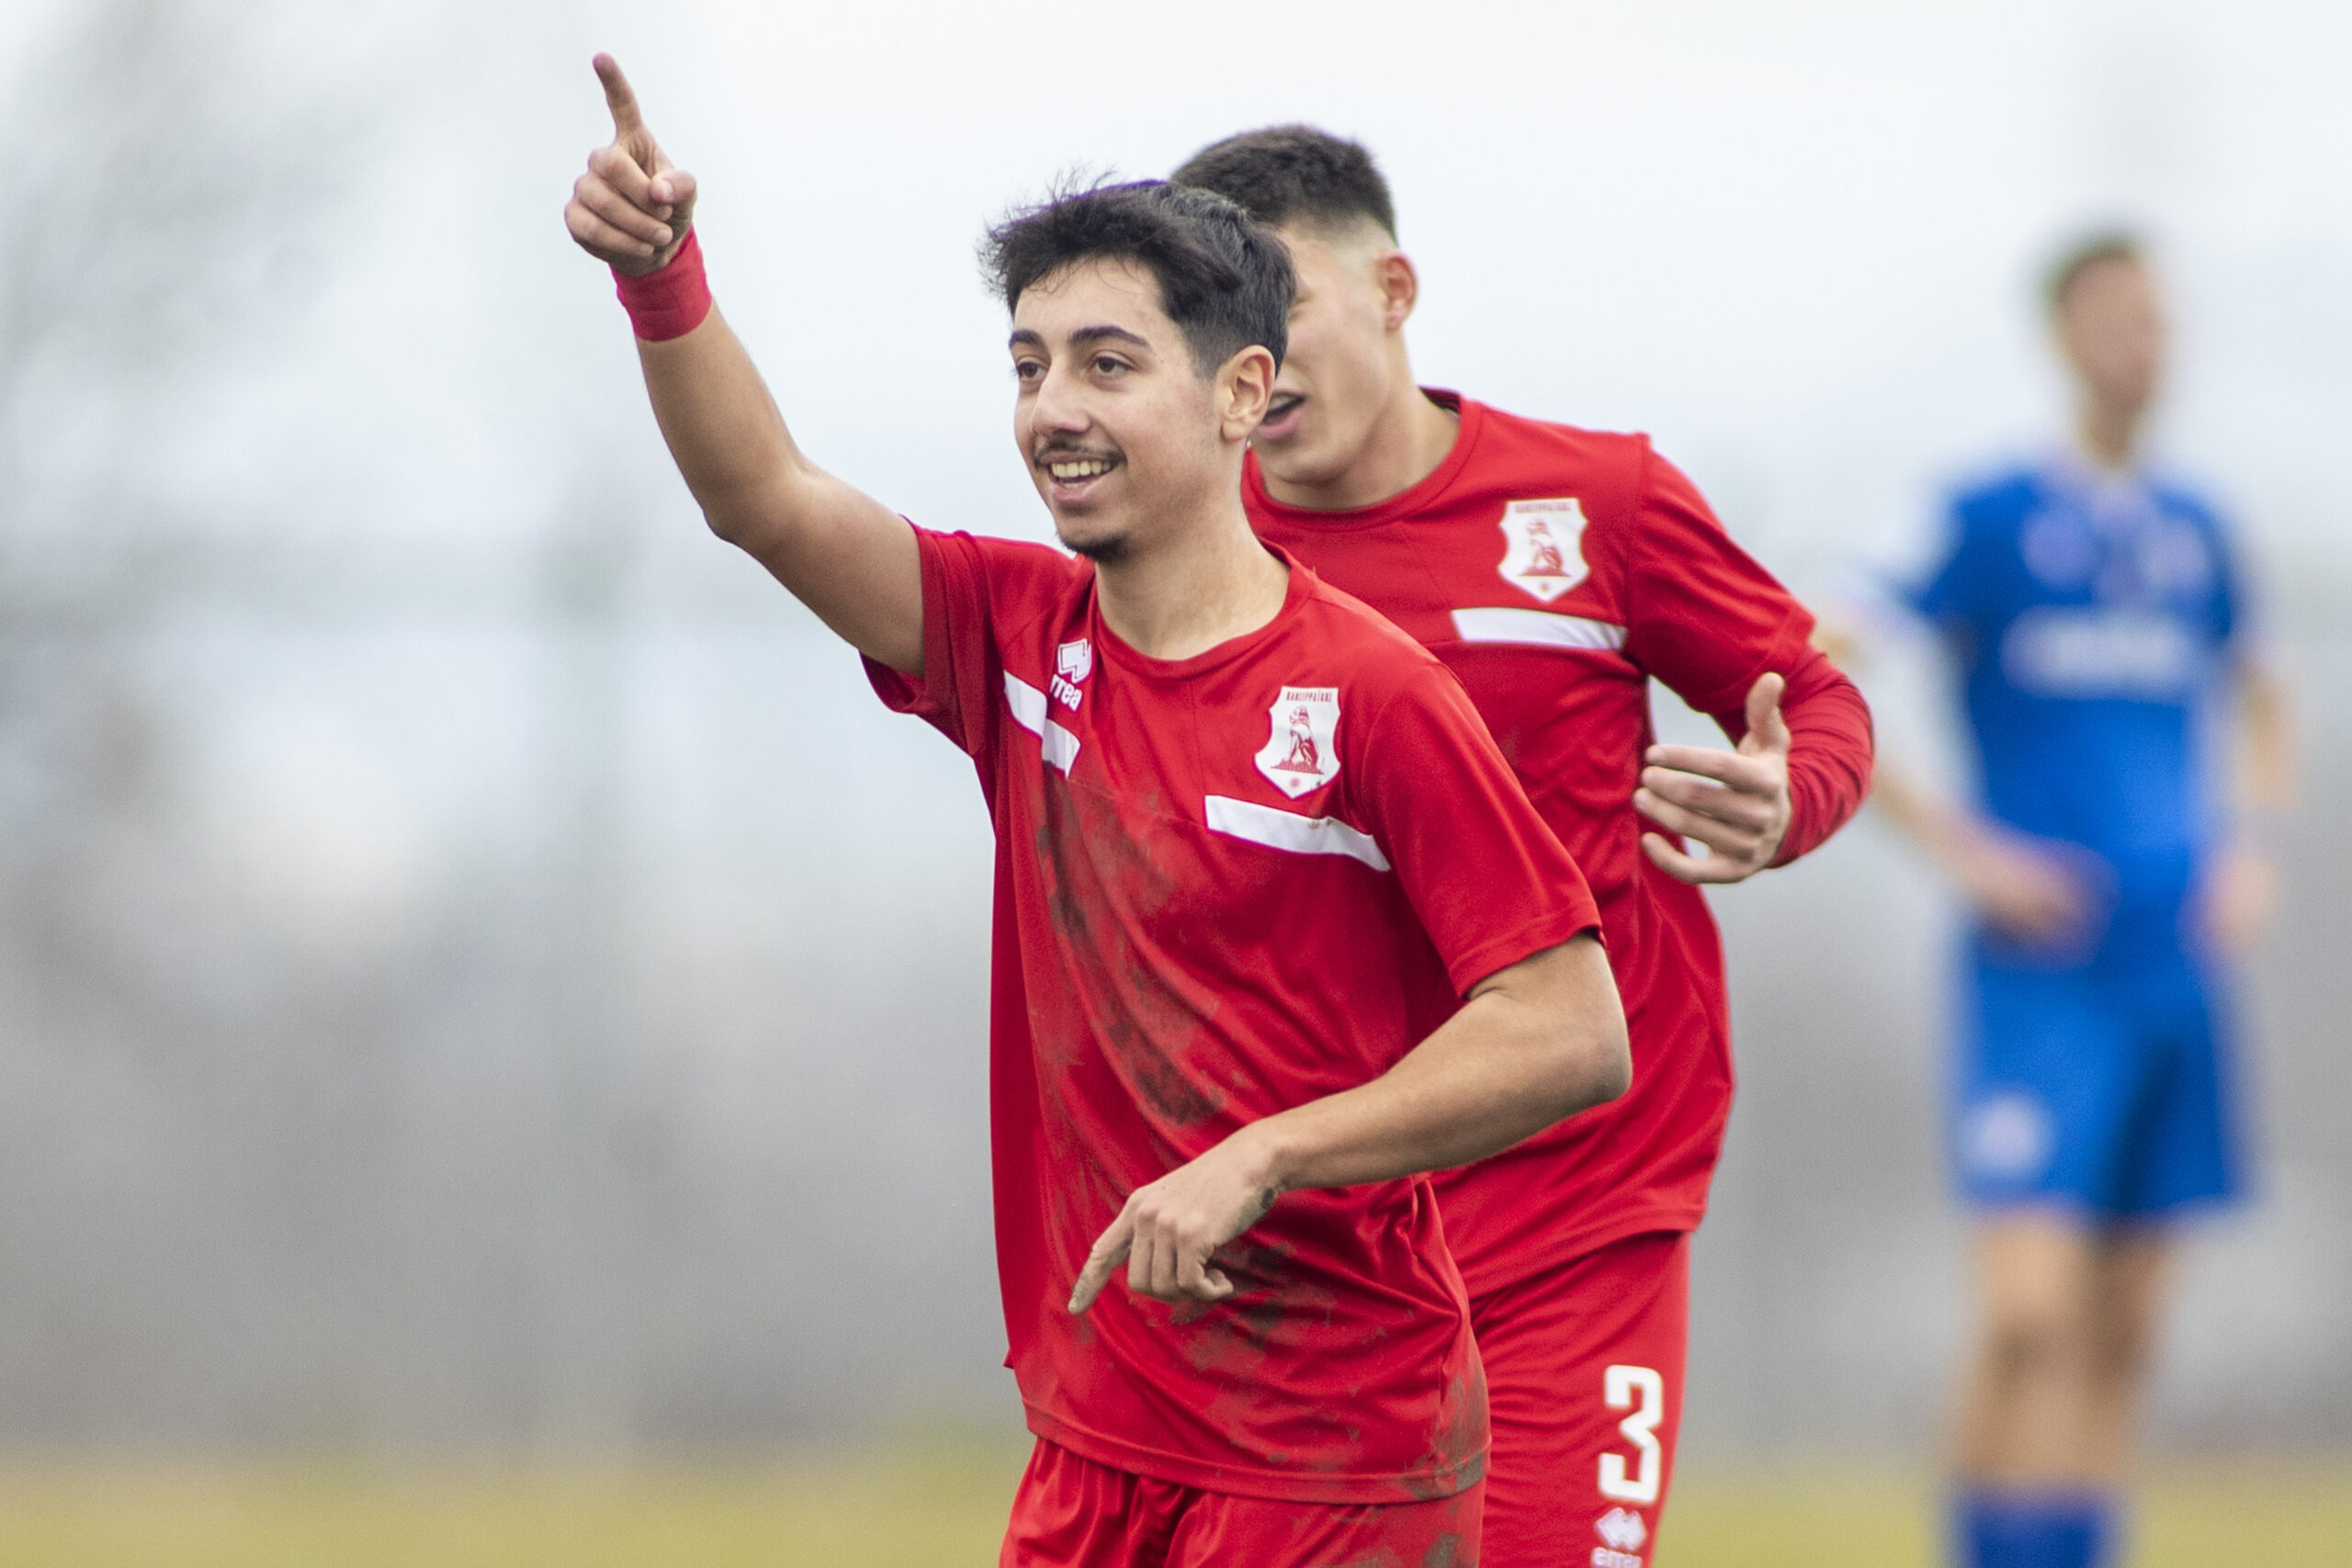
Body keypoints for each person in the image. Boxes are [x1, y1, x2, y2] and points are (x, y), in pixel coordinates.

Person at [564, 58, 1636, 1568]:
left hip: (1331, 1454)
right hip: (1097, 1440)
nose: (1054, 410)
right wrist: (664, 276)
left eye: (1107, 364)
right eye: (1028, 366)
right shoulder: (1014, 635)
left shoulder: (1372, 694)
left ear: (1242, 393)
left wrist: (1267, 1153)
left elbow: (1570, 1028)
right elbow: (766, 501)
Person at [1171, 128, 1877, 1568]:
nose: (1257, 353)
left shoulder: (1597, 502)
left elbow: (1812, 696)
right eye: (1215, 318)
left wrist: (1787, 798)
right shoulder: (1189, 546)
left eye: (1282, 300)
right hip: (1318, 1223)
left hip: (1580, 1199)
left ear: (1394, 290)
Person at [1872, 234, 2292, 1568]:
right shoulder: (1988, 517)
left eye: (2158, 320)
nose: (2142, 344)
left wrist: (2247, 846)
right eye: (2117, 319)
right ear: (2062, 336)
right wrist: (1965, 852)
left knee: (2128, 1323)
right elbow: (1825, 662)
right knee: (2028, 1313)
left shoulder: (2196, 531)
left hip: (2176, 964)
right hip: (2040, 973)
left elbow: (2266, 701)